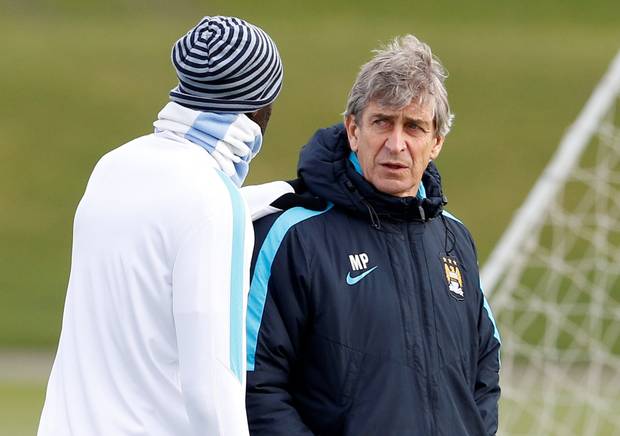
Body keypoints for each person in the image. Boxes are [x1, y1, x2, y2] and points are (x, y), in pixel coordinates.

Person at [38, 16, 289, 436]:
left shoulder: (113, 166)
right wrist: (230, 208)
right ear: (260, 104)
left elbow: (165, 225)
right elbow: (212, 386)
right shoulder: (212, 201)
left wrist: (267, 196)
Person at [246, 35, 501, 435]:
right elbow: (255, 384)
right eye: (382, 122)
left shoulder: (455, 239)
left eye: (414, 127)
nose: (395, 144)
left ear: (435, 143)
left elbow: (486, 366)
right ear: (353, 130)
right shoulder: (292, 236)